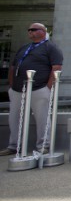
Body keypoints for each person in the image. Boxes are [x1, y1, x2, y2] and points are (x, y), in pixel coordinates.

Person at [0, 23, 63, 156]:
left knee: (42, 117)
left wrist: (48, 87)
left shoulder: (50, 47)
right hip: (18, 89)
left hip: (39, 88)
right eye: (28, 30)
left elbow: (56, 67)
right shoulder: (24, 47)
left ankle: (43, 145)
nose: (30, 32)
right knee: (14, 118)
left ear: (43, 32)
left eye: (33, 30)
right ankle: (14, 145)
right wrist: (11, 85)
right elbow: (13, 66)